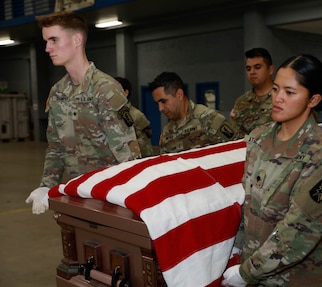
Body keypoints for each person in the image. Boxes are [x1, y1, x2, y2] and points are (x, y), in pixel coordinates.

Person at [222, 54, 322, 287]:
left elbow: (299, 232)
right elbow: (250, 202)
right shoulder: (258, 138)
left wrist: (247, 272)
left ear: (313, 100)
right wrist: (239, 247)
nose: (277, 98)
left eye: (290, 92)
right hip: (258, 270)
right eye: (275, 89)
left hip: (301, 277)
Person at [25, 11, 141, 215]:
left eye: (53, 40)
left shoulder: (105, 89)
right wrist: (47, 184)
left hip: (110, 197)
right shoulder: (58, 93)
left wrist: (134, 200)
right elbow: (55, 148)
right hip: (77, 194)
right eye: (46, 41)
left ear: (77, 39)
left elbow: (128, 153)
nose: (47, 48)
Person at [148, 71, 240, 154]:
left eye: (163, 101)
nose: (160, 108)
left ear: (179, 95)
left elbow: (238, 152)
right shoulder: (167, 132)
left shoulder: (209, 119)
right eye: (157, 104)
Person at [230, 47, 274, 138]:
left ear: (270, 70)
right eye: (248, 69)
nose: (252, 72)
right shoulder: (241, 102)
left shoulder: (283, 96)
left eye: (257, 67)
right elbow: (235, 135)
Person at [114, 76, 153, 157]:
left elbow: (146, 148)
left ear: (126, 93)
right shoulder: (108, 115)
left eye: (115, 91)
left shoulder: (136, 116)